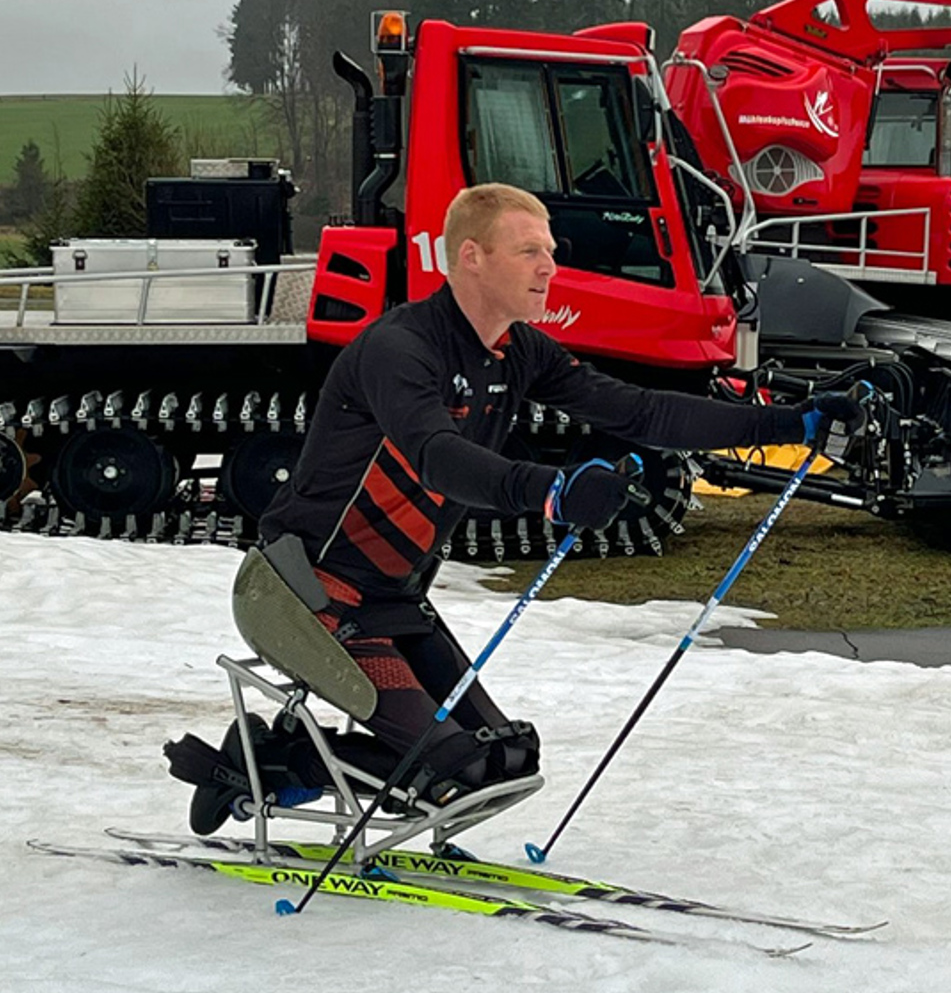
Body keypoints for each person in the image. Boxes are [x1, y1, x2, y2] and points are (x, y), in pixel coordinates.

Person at [194, 182, 860, 812]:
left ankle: (295, 759)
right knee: (451, 766)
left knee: (505, 757)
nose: (550, 266)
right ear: (472, 258)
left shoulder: (516, 352)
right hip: (304, 595)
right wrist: (551, 491)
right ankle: (282, 764)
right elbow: (437, 457)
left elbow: (638, 411)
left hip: (391, 601)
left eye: (550, 251)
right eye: (530, 251)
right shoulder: (401, 349)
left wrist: (787, 422)